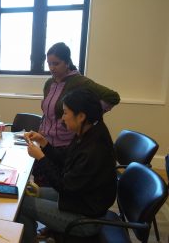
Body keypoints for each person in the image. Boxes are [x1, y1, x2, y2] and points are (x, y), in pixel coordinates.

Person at [17, 89, 117, 243]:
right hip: (79, 201)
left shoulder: (94, 148)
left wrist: (41, 158)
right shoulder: (91, 131)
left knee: (21, 205)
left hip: (86, 219)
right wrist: (44, 143)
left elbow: (63, 186)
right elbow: (66, 159)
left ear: (81, 116)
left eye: (65, 113)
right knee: (24, 195)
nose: (62, 118)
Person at [34, 42, 120, 188]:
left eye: (56, 63)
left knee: (57, 185)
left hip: (65, 144)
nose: (52, 68)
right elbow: (47, 113)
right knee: (39, 187)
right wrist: (42, 133)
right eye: (49, 64)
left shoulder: (80, 81)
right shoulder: (49, 83)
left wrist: (88, 114)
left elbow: (113, 97)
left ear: (67, 62)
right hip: (47, 142)